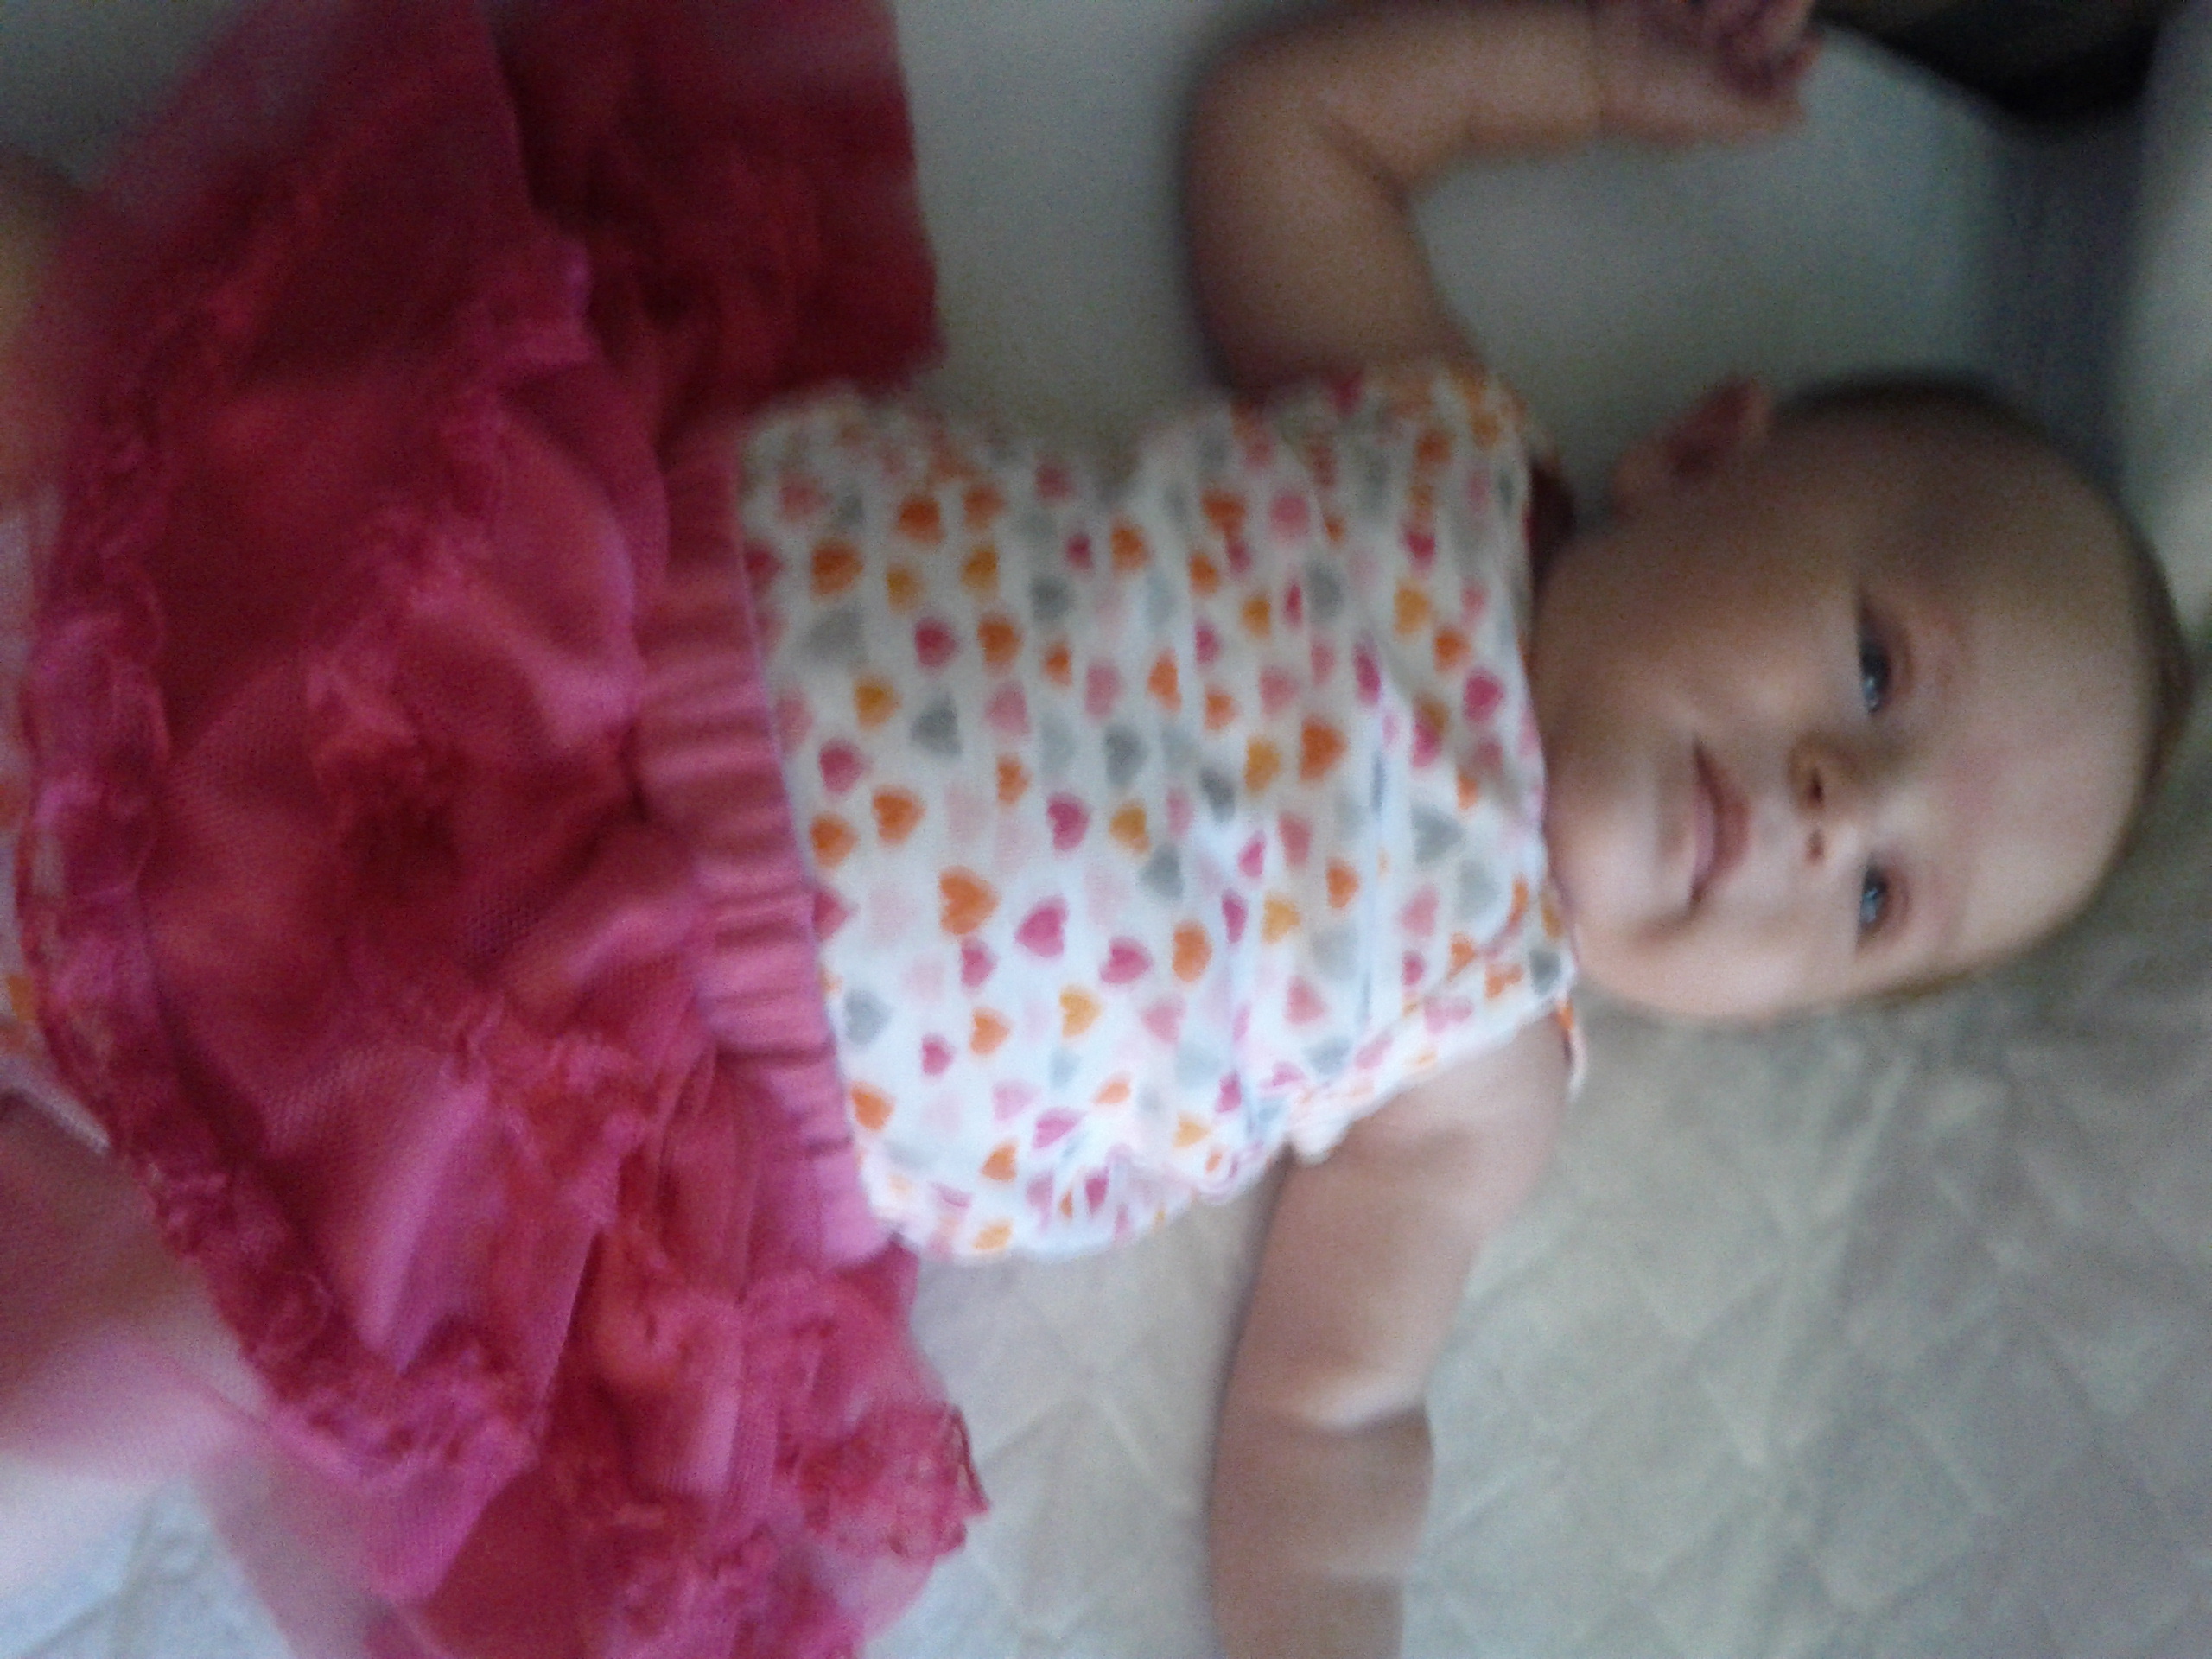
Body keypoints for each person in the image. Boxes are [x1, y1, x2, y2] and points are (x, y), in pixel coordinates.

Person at [0, 3, 2190, 1659]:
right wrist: (1591, 68)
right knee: (179, 391)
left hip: (640, 1089)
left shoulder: (1480, 1076)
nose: (1823, 810)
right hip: (580, 609)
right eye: (1874, 670)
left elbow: (1325, 1426)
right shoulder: (1437, 437)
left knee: (251, 1296)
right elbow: (1291, 128)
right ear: (1703, 456)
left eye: (1878, 896)